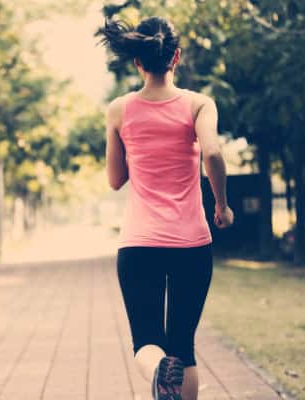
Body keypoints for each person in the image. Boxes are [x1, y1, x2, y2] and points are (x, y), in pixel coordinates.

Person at [96, 16, 234, 400]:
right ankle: (167, 367)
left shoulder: (119, 110)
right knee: (183, 348)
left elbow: (114, 179)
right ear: (176, 56)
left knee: (146, 343)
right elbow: (214, 152)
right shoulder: (199, 105)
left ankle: (157, 369)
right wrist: (222, 206)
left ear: (138, 62)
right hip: (192, 244)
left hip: (139, 245)